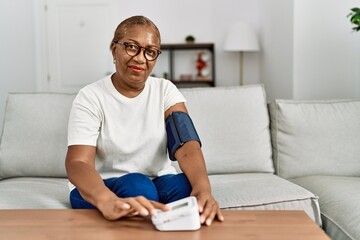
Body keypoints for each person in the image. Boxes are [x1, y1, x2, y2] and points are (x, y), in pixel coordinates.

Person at [65, 15, 224, 226]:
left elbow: (187, 146)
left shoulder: (165, 90)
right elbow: (78, 162)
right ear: (114, 50)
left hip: (159, 181)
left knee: (186, 187)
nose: (140, 58)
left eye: (150, 52)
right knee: (138, 186)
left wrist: (204, 189)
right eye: (131, 47)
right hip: (102, 186)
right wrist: (106, 200)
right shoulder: (91, 96)